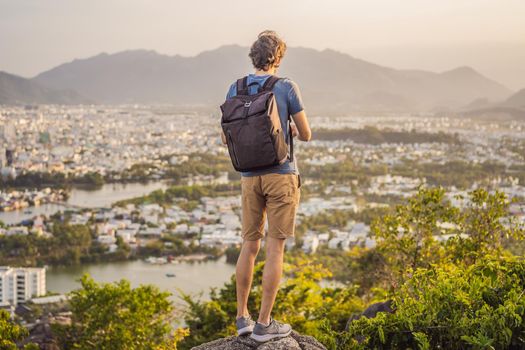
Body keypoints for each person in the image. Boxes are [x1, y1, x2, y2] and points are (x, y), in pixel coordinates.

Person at [222, 30, 311, 342]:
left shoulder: (236, 87)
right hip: (282, 174)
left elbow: (226, 136)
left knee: (249, 245)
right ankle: (264, 324)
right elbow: (306, 132)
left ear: (253, 57)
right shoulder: (286, 86)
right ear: (279, 57)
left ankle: (241, 318)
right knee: (275, 246)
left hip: (249, 177)